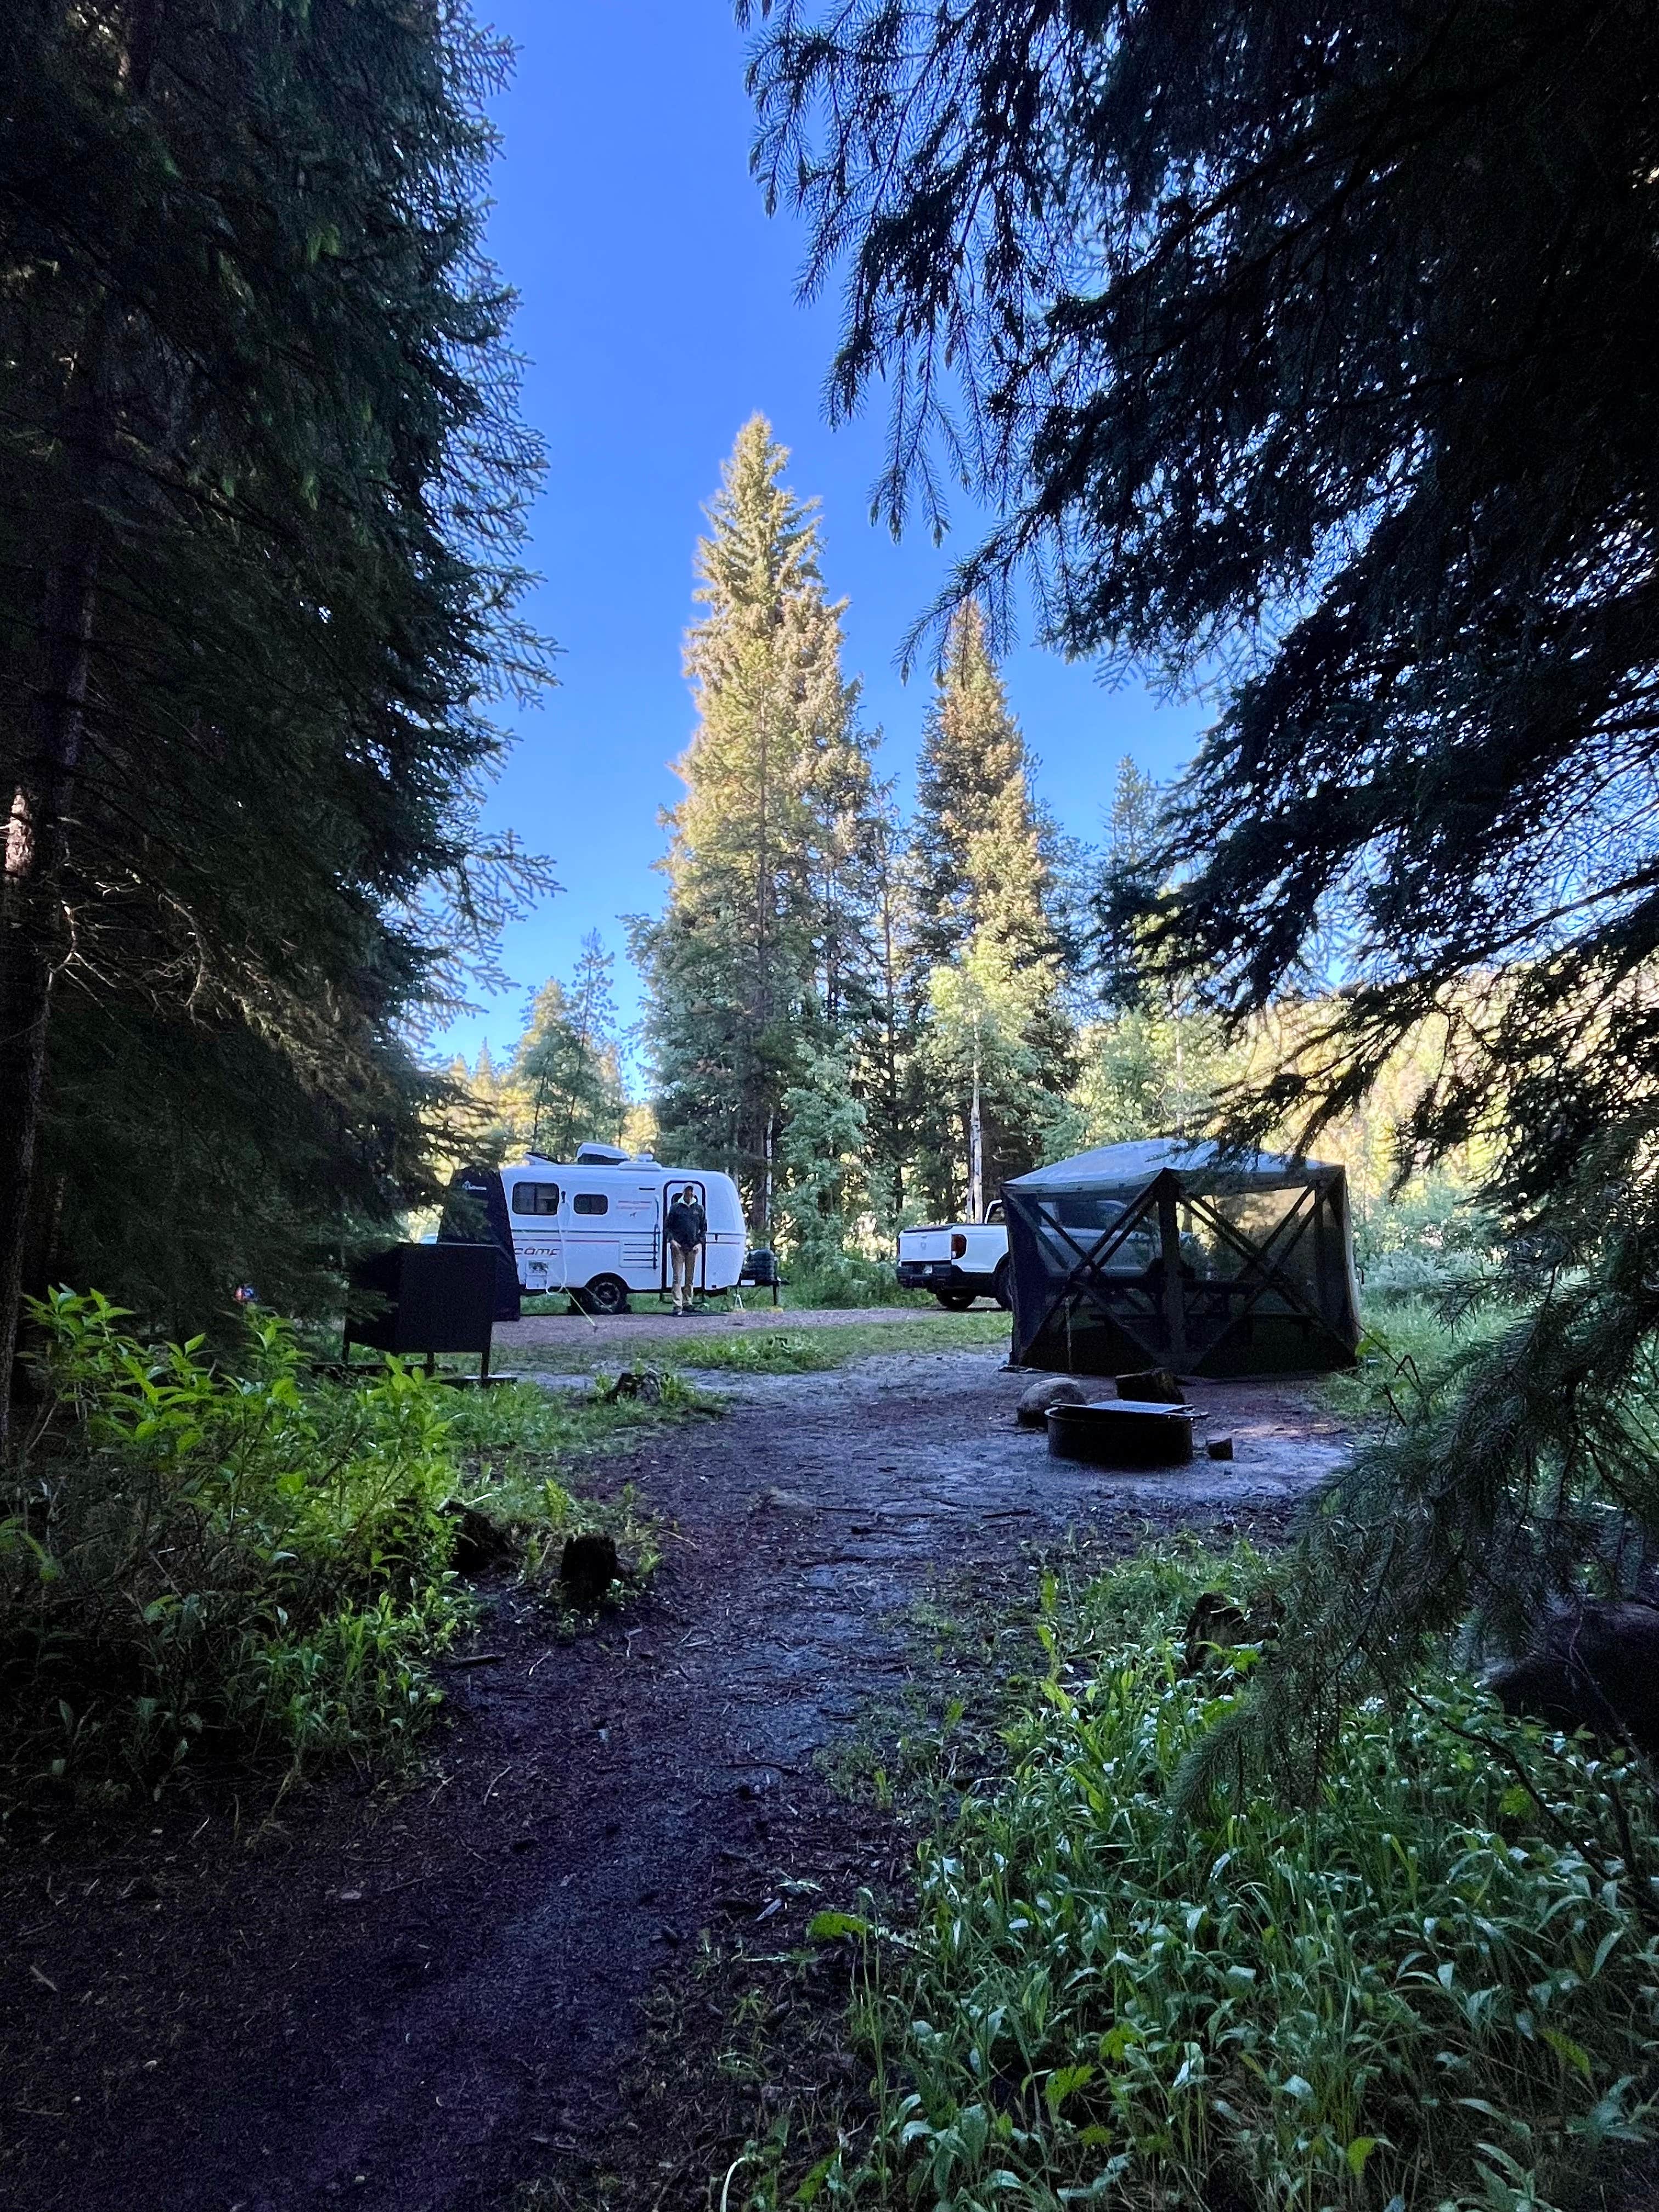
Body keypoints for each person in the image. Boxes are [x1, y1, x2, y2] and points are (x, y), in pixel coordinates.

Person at [664, 1184, 707, 1315]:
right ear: (683, 1193)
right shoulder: (675, 1208)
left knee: (690, 1277)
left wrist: (699, 1243)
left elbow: (704, 1229)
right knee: (677, 1277)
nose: (689, 1193)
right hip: (678, 1247)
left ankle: (688, 1302)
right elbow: (667, 1227)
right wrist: (672, 1241)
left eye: (691, 1191)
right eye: (687, 1191)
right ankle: (677, 1304)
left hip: (692, 1247)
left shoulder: (699, 1209)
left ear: (693, 1193)